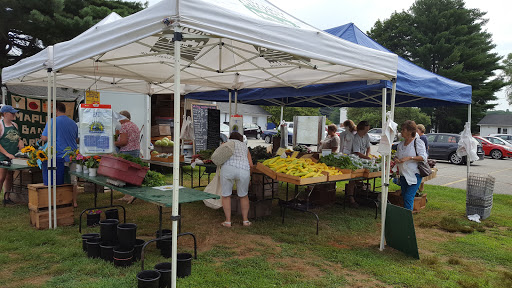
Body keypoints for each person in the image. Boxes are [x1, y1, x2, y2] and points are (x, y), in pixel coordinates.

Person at [41, 102, 78, 207]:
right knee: (73, 180)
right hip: (72, 154)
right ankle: (74, 202)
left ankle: (61, 201)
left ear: (56, 110)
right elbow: (75, 139)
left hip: (58, 155)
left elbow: (44, 138)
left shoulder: (52, 121)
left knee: (58, 179)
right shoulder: (73, 123)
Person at [220, 132, 253, 227]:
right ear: (240, 139)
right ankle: (245, 221)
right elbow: (251, 164)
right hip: (243, 170)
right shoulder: (244, 147)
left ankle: (228, 221)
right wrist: (249, 177)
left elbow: (218, 157)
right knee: (244, 195)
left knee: (226, 195)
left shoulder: (225, 144)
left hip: (228, 169)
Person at [395, 120, 428, 210]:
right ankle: (405, 215)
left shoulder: (418, 142)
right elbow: (396, 156)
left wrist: (410, 158)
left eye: (403, 130)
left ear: (409, 132)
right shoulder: (401, 144)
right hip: (403, 175)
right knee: (405, 196)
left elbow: (423, 157)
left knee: (408, 197)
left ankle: (407, 219)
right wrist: (396, 159)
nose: (401, 132)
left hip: (415, 174)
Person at [114, 110, 140, 204]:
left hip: (127, 152)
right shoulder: (134, 125)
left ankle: (130, 195)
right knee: (132, 174)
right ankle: (128, 195)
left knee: (125, 175)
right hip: (136, 151)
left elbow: (123, 142)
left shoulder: (124, 127)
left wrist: (113, 143)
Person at [0, 105, 24, 205]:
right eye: (12, 113)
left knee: (9, 176)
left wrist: (20, 142)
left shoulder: (15, 125)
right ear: (5, 114)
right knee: (1, 177)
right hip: (2, 155)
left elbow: (18, 138)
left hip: (13, 155)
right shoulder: (0, 125)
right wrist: (6, 153)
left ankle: (7, 197)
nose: (14, 115)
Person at [344, 121, 372, 207]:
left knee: (359, 179)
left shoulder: (366, 136)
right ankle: (350, 197)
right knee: (353, 179)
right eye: (366, 130)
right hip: (354, 160)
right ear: (361, 129)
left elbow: (368, 147)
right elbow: (357, 152)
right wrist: (366, 158)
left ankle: (359, 194)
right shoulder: (355, 138)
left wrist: (367, 156)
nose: (367, 131)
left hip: (363, 160)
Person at [416, 124, 428, 193]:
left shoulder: (422, 138)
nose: (416, 132)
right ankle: (421, 187)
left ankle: (421, 187)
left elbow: (423, 148)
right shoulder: (424, 137)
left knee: (421, 171)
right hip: (424, 155)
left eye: (417, 130)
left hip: (421, 157)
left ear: (421, 130)